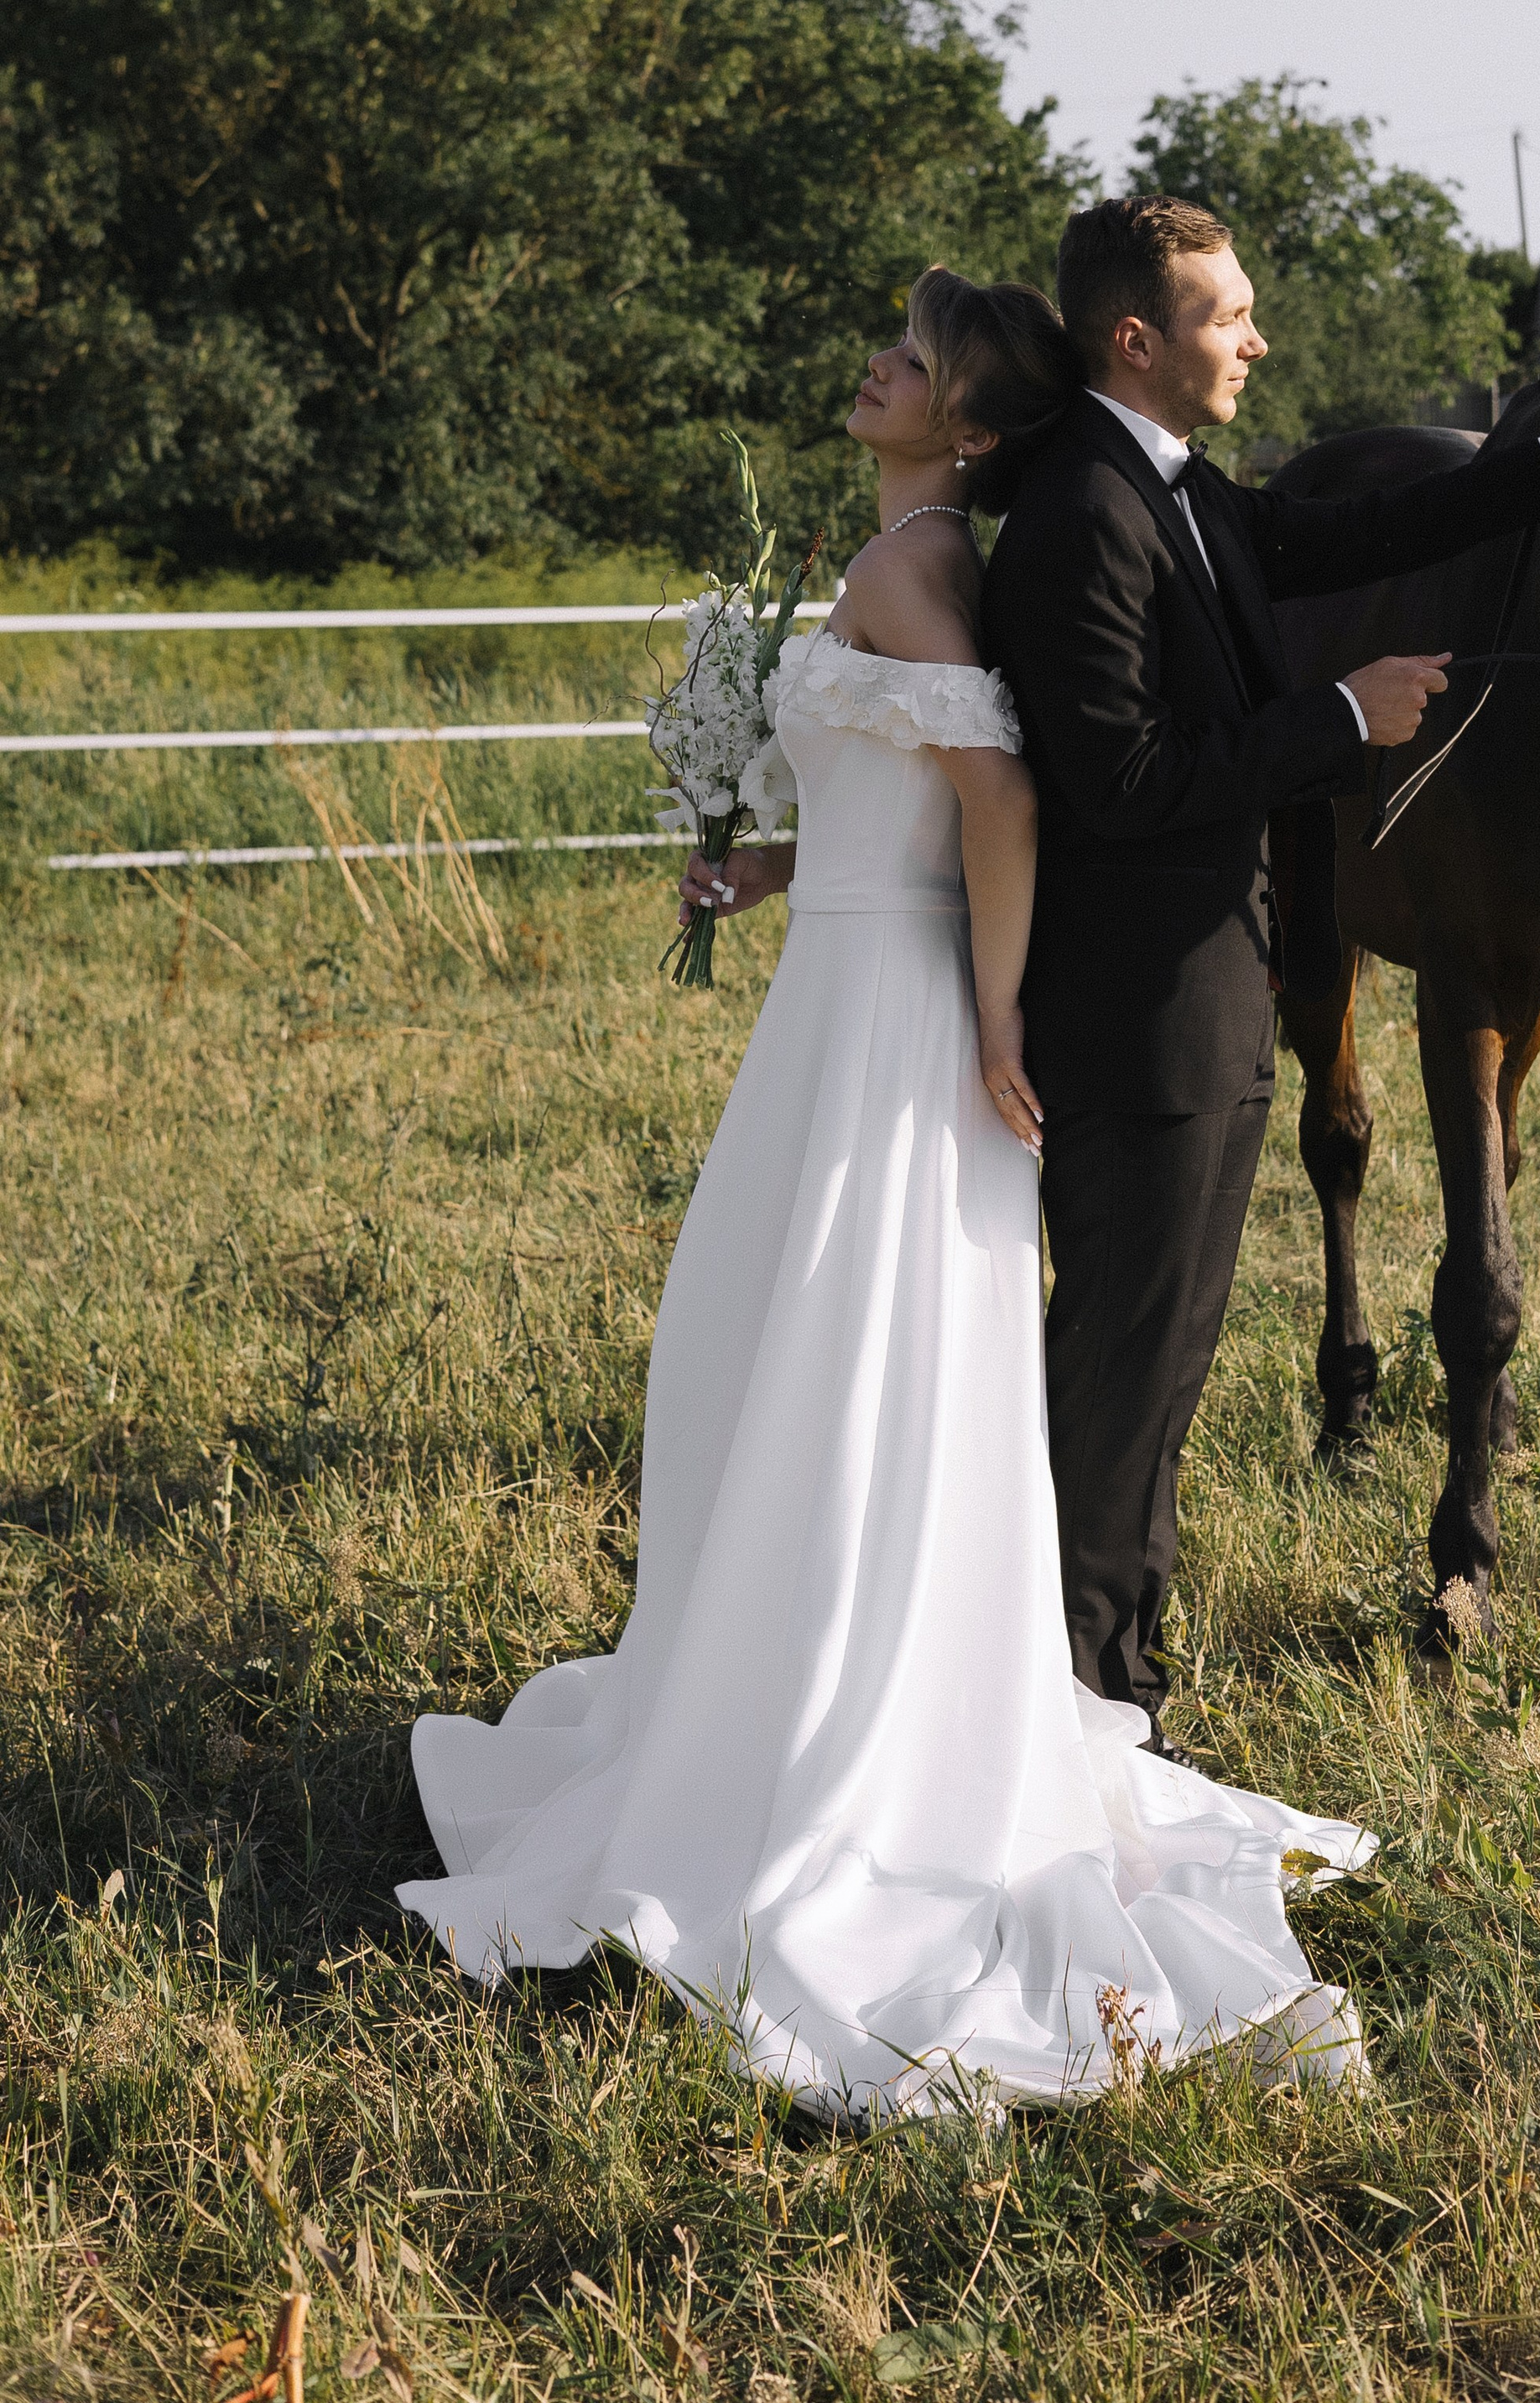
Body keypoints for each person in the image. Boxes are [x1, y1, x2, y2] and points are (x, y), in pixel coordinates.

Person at [396, 267, 1377, 2120]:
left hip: (901, 1014)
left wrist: (992, 1003)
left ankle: (828, 1743)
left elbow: (999, 803)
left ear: (969, 428)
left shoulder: (917, 568)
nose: (877, 364)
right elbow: (906, 790)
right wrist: (772, 861)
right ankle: (761, 1684)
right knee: (768, 1345)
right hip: (834, 982)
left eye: (911, 361)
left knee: (841, 1361)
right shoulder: (902, 564)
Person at [981, 195, 1540, 1751]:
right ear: (1137, 340)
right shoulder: (1085, 511)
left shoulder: (1170, 487)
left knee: (1160, 1385)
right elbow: (1129, 783)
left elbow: (1351, 532)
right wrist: (1345, 721)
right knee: (1113, 1385)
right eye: (1231, 317)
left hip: (1206, 1009)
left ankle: (1115, 1695)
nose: (1258, 340)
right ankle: (1064, 1710)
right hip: (1134, 1018)